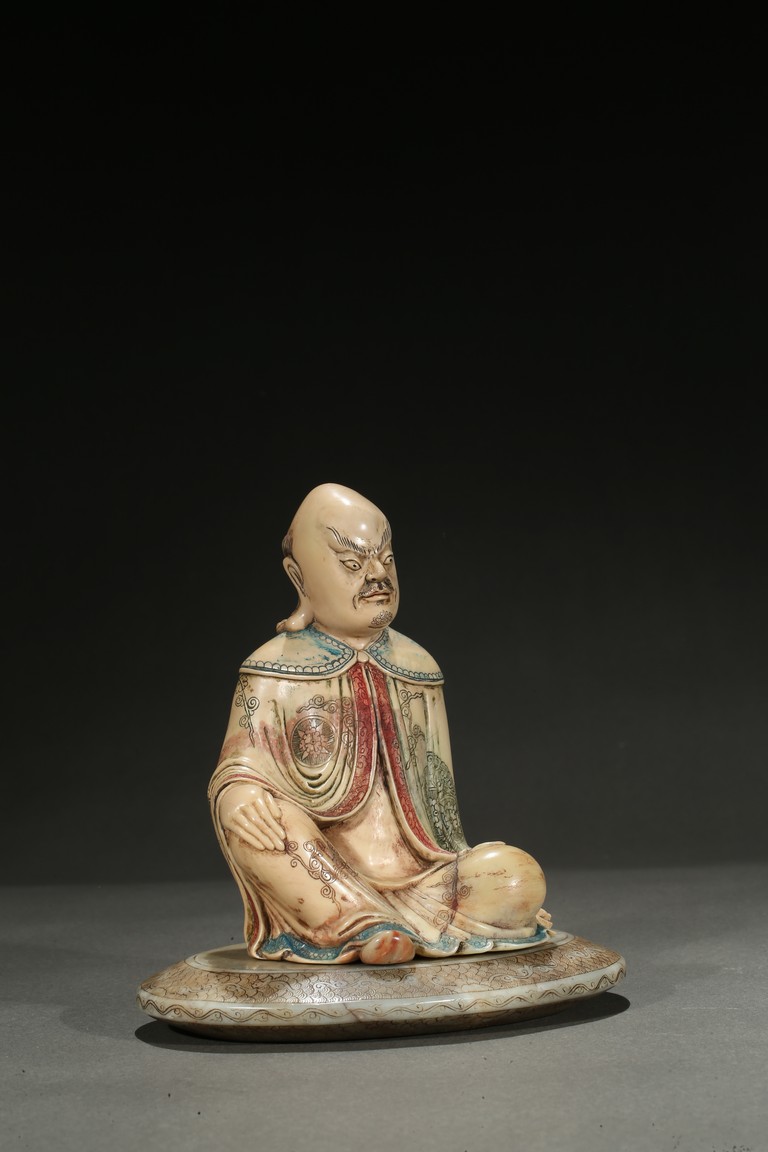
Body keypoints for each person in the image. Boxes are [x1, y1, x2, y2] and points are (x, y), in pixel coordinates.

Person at [209, 483, 552, 965]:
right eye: (353, 564)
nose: (377, 576)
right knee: (262, 824)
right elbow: (237, 770)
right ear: (299, 578)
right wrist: (241, 799)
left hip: (423, 877)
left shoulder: (418, 667)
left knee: (517, 874)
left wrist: (468, 870)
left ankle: (392, 927)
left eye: (386, 561)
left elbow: (441, 811)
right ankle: (363, 924)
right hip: (319, 869)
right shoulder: (274, 670)